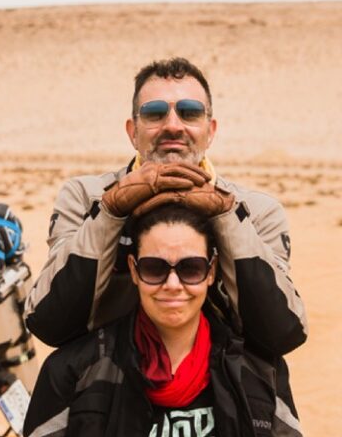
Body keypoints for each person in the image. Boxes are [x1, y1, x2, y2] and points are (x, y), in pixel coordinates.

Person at [0, 205, 330, 437]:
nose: (173, 285)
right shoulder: (76, 371)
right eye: (155, 268)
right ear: (134, 271)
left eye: (190, 268)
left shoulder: (255, 375)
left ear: (212, 271)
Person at [25, 58, 306, 357]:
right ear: (133, 131)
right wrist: (110, 211)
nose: (173, 126)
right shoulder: (86, 197)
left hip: (226, 389)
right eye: (155, 113)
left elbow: (281, 332)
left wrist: (226, 216)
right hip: (106, 387)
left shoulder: (257, 211)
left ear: (210, 130)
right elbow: (49, 323)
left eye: (190, 113)